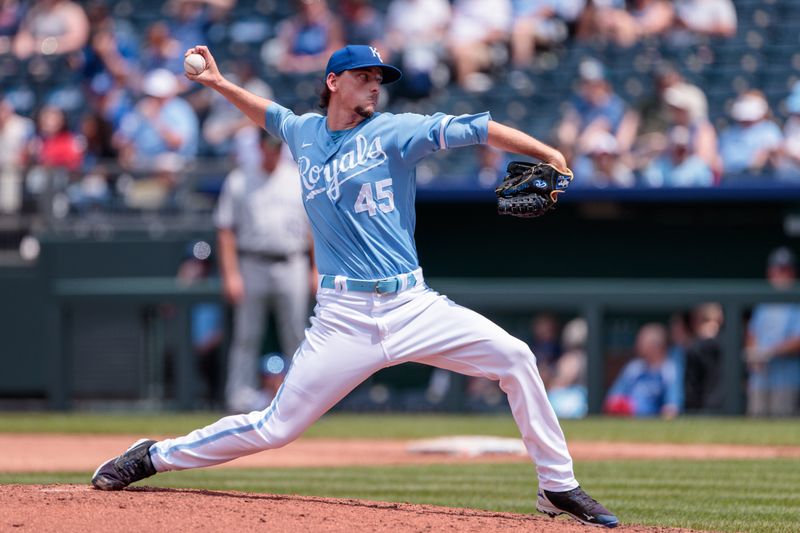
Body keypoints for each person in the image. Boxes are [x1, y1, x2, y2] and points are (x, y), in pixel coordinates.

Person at [91, 44, 619, 529]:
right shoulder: (304, 133)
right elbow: (267, 113)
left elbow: (476, 128)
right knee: (277, 428)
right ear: (334, 81)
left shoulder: (395, 131)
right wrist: (218, 83)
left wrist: (549, 153)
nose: (374, 85)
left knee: (516, 358)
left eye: (378, 78)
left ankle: (557, 485)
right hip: (343, 316)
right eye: (364, 76)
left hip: (413, 305)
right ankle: (153, 455)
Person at [215, 130, 315, 413]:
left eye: (276, 145)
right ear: (259, 146)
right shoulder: (239, 180)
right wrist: (231, 274)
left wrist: (316, 269)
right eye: (267, 145)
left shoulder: (297, 178)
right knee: (246, 335)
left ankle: (301, 400)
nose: (272, 150)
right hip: (252, 263)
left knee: (296, 334)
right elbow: (225, 231)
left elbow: (313, 230)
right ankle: (238, 399)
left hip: (292, 261)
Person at [745, 247, 800, 417]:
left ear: (793, 273)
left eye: (785, 270)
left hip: (786, 380)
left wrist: (770, 352)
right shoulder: (764, 304)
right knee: (755, 423)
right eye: (776, 270)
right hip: (760, 379)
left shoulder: (796, 301)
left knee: (783, 423)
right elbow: (751, 334)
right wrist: (755, 356)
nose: (780, 275)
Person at [604, 323, 680, 418]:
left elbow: (672, 405)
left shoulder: (668, 369)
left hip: (654, 421)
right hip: (628, 419)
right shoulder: (633, 368)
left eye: (643, 343)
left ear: (657, 346)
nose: (638, 346)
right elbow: (613, 398)